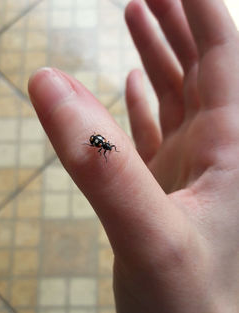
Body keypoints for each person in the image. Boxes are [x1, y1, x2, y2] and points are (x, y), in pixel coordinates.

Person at [28, 0, 239, 311]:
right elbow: (95, 144)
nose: (106, 149)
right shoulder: (100, 146)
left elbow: (98, 146)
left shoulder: (102, 148)